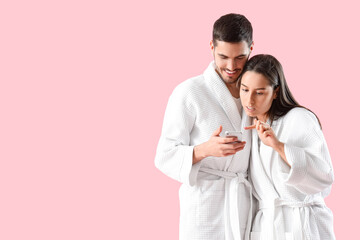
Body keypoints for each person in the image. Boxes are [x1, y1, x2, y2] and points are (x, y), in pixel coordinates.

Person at [155, 13, 254, 240]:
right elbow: (164, 155)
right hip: (204, 207)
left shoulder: (255, 93)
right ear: (211, 46)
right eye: (223, 57)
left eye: (240, 57)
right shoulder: (189, 92)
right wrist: (204, 149)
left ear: (251, 48)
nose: (231, 66)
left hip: (244, 205)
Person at [239, 54, 335, 239]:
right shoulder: (248, 126)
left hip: (303, 224)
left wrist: (277, 145)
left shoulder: (300, 118)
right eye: (244, 90)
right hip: (267, 227)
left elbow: (324, 176)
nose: (249, 101)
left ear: (275, 92)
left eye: (259, 93)